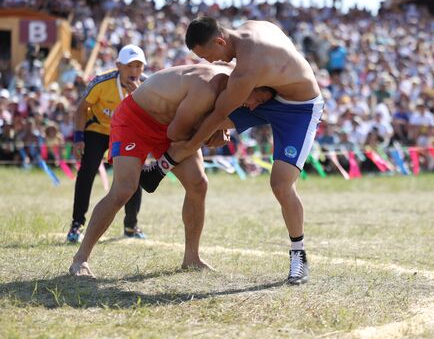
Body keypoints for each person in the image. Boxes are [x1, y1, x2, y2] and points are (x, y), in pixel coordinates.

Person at [140, 17, 324, 285]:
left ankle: (299, 255)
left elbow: (219, 114)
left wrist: (211, 131)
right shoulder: (252, 28)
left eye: (208, 56)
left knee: (280, 185)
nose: (211, 63)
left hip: (300, 107)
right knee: (202, 122)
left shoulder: (248, 68)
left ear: (220, 40)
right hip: (266, 92)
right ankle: (160, 167)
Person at [69, 62, 240, 278]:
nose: (252, 105)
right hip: (136, 119)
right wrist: (208, 133)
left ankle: (191, 258)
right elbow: (179, 132)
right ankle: (80, 259)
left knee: (198, 183)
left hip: (171, 124)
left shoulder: (238, 78)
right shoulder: (214, 81)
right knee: (124, 189)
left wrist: (219, 130)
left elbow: (210, 117)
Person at [66, 44, 147, 243]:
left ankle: (131, 225)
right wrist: (78, 138)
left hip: (126, 134)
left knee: (133, 175)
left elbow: (149, 117)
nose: (134, 71)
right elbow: (81, 109)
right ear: (118, 65)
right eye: (129, 66)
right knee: (87, 172)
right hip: (98, 130)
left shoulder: (146, 87)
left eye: (139, 66)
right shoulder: (101, 82)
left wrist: (138, 96)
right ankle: (77, 224)